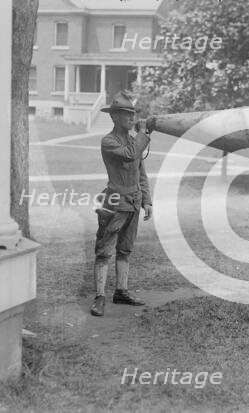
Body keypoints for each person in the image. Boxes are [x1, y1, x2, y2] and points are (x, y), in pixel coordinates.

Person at [90, 91, 153, 317]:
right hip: (115, 204)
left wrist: (147, 200)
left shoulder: (132, 141)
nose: (131, 118)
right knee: (105, 251)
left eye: (132, 114)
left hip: (133, 202)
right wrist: (142, 134)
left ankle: (121, 291)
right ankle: (99, 297)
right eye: (126, 114)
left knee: (125, 250)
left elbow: (140, 173)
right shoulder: (109, 141)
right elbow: (129, 155)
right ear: (114, 117)